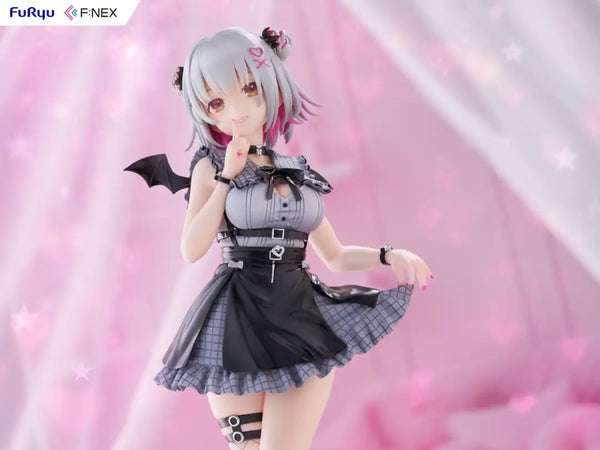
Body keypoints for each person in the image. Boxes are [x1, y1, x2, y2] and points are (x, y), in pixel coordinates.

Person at [125, 26, 433, 450]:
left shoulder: (298, 170)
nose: (236, 111)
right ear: (204, 111)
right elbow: (191, 249)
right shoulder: (209, 166)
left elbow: (335, 255)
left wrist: (387, 254)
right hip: (235, 321)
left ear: (272, 85)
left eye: (249, 89)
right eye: (217, 102)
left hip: (298, 315)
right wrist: (226, 178)